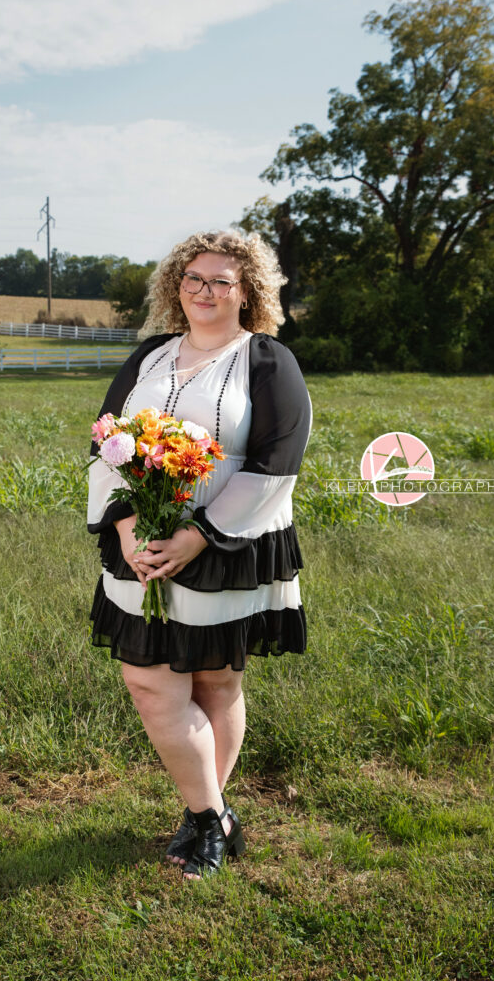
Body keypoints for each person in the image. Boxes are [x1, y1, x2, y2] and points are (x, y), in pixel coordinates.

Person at [87, 229, 312, 880]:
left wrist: (198, 535)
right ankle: (214, 816)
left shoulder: (266, 360)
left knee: (214, 678)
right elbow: (105, 442)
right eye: (193, 279)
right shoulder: (149, 357)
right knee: (149, 681)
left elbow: (277, 463)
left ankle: (202, 818)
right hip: (141, 545)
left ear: (247, 291)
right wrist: (127, 525)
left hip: (228, 543)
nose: (205, 291)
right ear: (174, 288)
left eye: (221, 280)